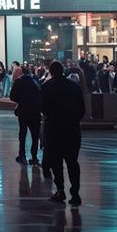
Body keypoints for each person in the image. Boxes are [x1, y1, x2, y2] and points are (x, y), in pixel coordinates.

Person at [40, 60, 85, 205]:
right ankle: (75, 193)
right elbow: (82, 108)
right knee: (73, 163)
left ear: (51, 72)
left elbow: (43, 108)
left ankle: (60, 190)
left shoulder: (47, 87)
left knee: (56, 162)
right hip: (72, 129)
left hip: (54, 129)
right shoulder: (74, 87)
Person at [10, 64, 42, 164]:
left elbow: (12, 96)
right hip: (35, 111)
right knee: (35, 135)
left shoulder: (18, 82)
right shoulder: (35, 81)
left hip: (23, 111)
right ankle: (34, 156)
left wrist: (21, 100)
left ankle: (22, 155)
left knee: (22, 134)